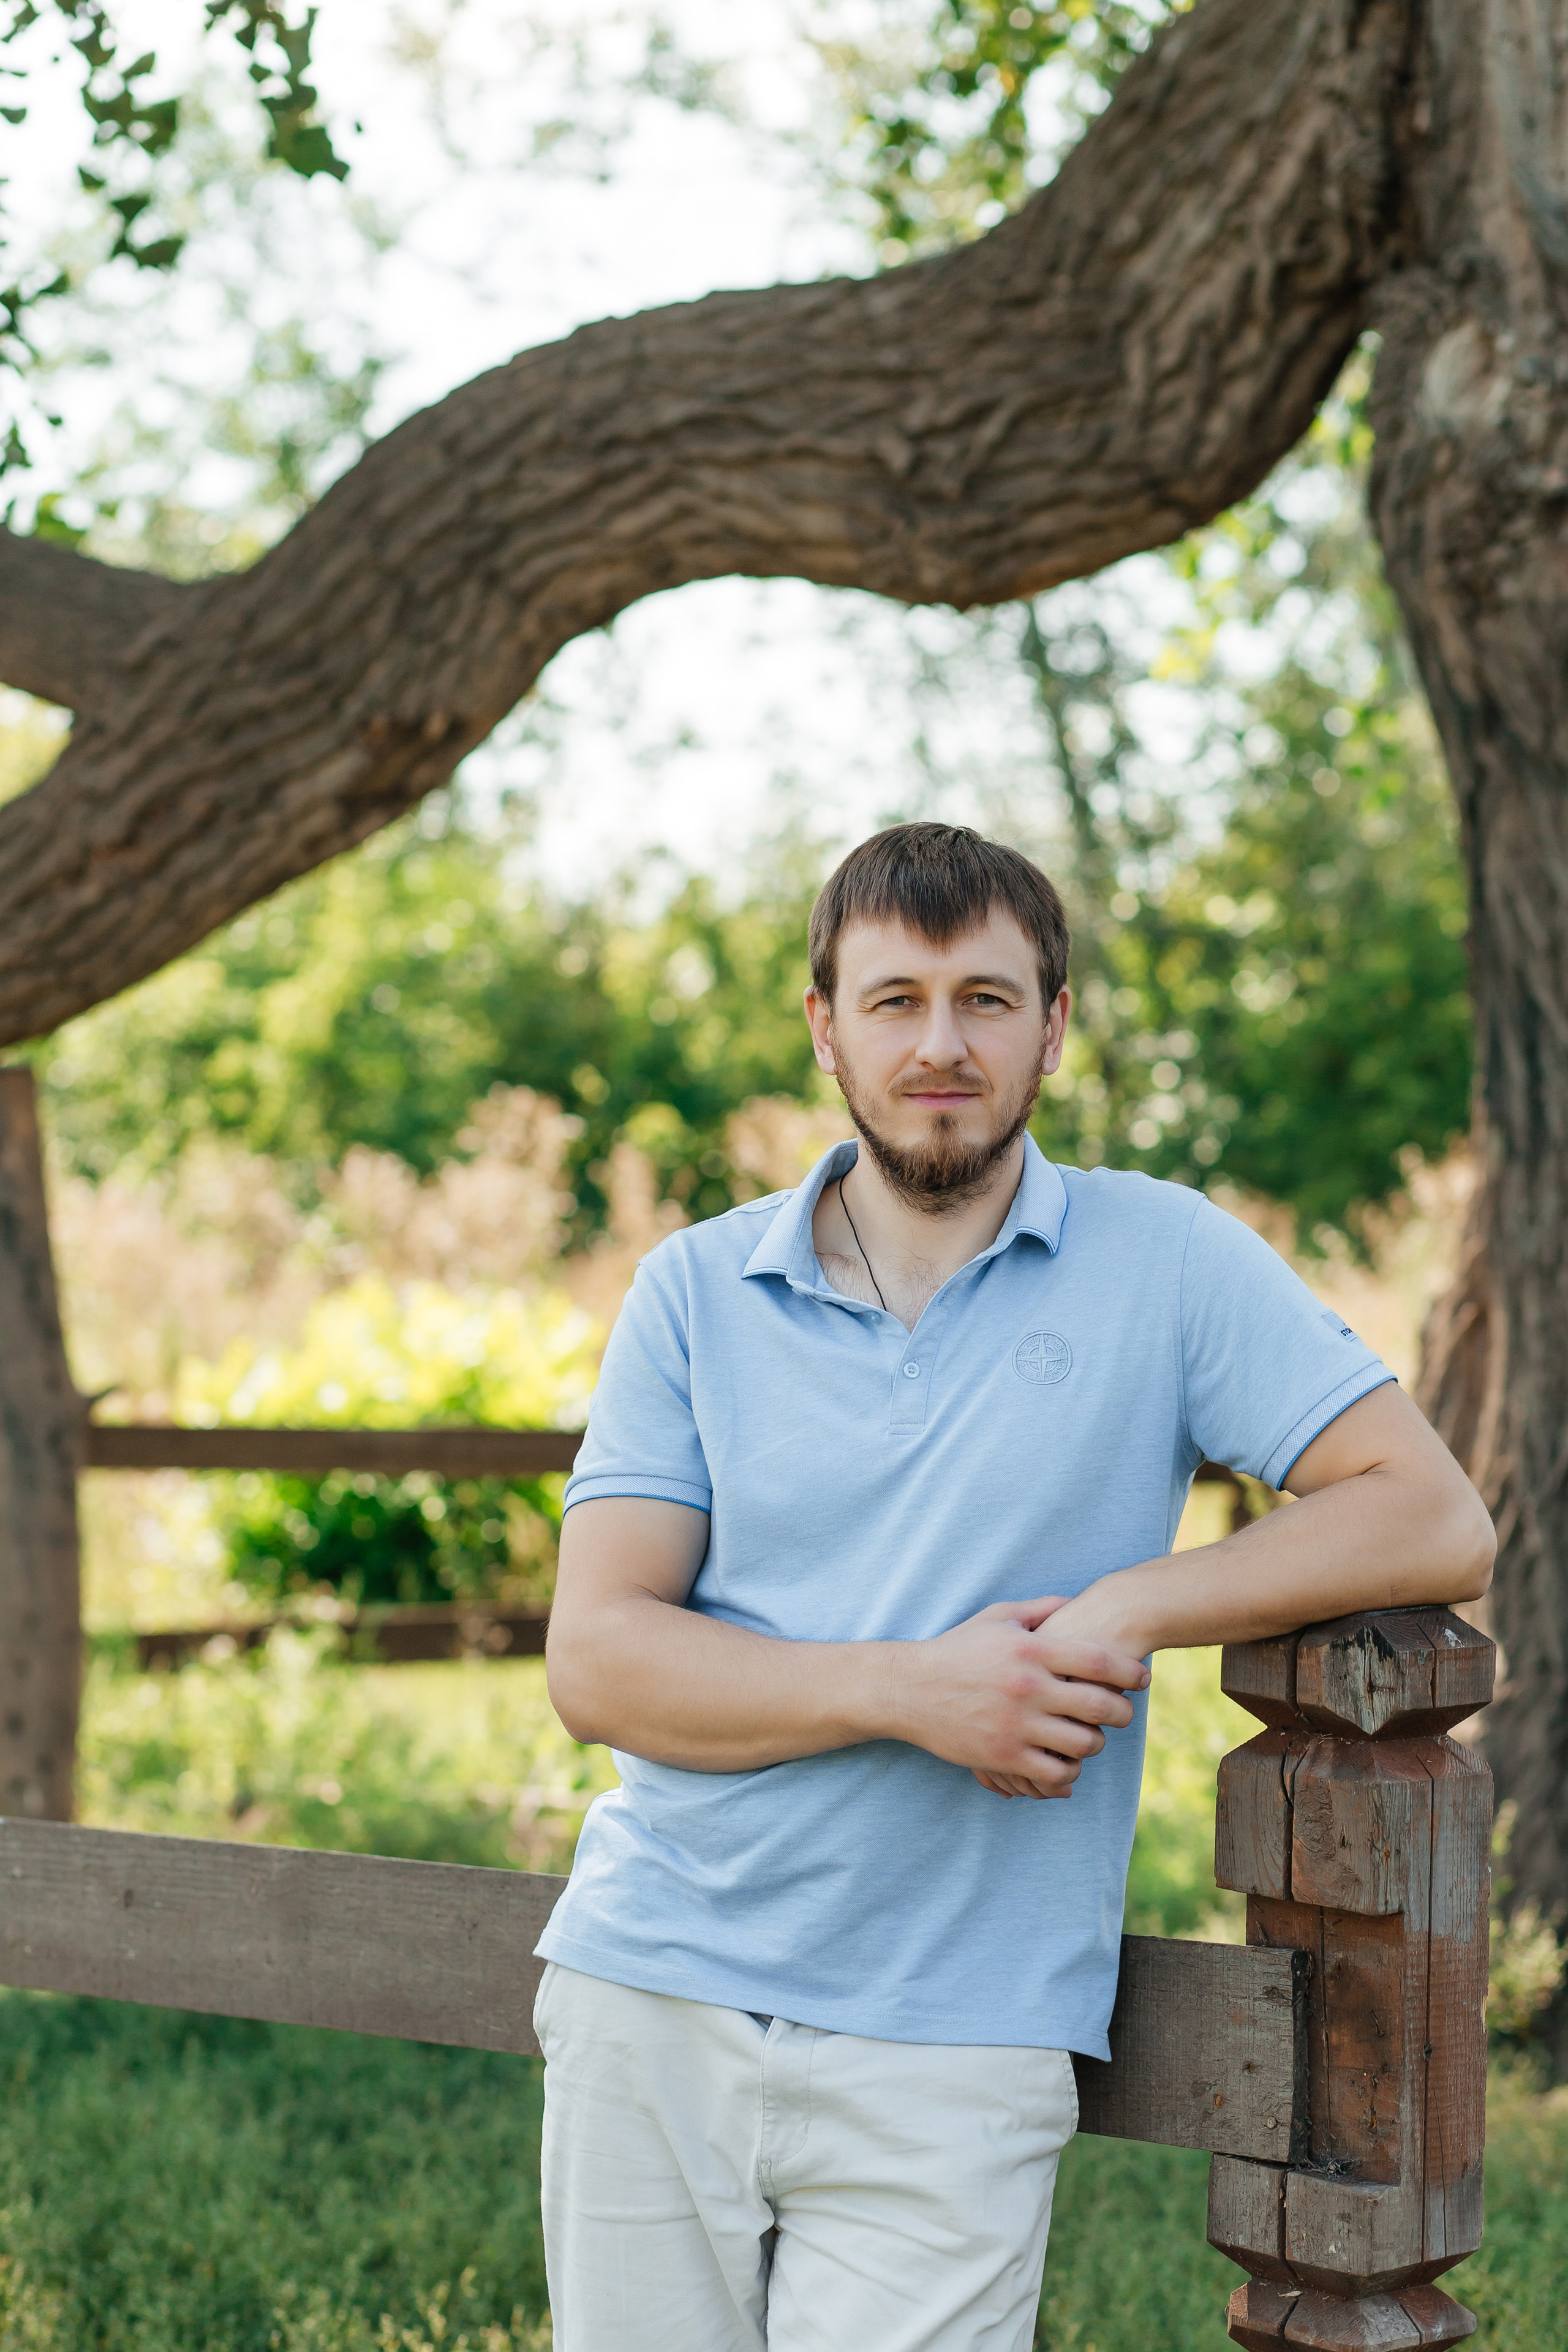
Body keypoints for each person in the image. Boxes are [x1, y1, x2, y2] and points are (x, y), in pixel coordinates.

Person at [535, 822, 1494, 2352]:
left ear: (1050, 1028)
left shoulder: (1162, 1260)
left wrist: (1129, 1603)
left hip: (959, 2033)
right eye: (894, 999)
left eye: (984, 999)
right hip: (654, 1991)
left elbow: (1432, 1516)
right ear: (825, 1026)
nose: (937, 1044)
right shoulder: (695, 1292)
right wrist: (906, 1691)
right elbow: (597, 1660)